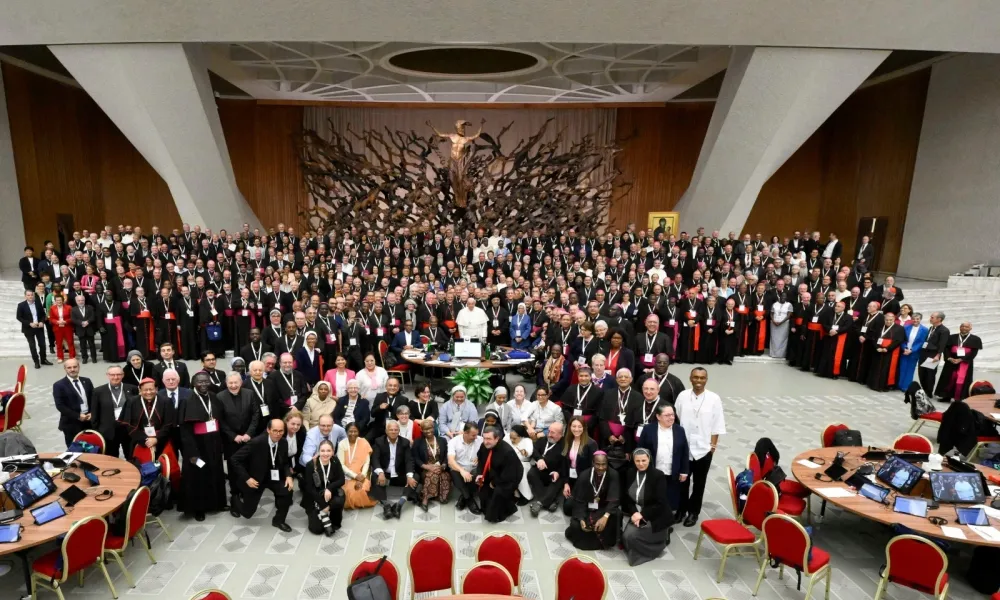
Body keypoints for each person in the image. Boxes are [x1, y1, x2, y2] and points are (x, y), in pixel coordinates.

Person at [674, 367, 725, 527]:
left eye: (702, 378)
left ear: (706, 379)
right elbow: (676, 418)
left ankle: (693, 512)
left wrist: (712, 447)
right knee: (682, 481)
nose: (698, 381)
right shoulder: (682, 396)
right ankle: (680, 510)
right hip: (685, 448)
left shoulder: (714, 399)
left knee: (699, 483)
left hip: (704, 449)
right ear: (690, 378)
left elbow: (717, 423)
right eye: (695, 377)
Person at [230, 418, 296, 532]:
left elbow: (285, 462)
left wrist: (288, 476)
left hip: (274, 476)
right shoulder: (256, 442)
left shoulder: (283, 442)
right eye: (275, 430)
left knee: (287, 491)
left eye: (281, 431)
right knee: (247, 513)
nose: (278, 434)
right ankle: (234, 499)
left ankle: (279, 520)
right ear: (268, 430)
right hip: (256, 479)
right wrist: (247, 478)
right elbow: (234, 459)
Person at [178, 372, 227, 521]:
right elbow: (185, 430)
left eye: (206, 381)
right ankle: (199, 508)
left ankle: (218, 503)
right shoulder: (187, 400)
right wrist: (192, 452)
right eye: (200, 382)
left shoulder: (213, 397)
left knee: (216, 472)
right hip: (197, 446)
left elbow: (220, 419)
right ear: (194, 384)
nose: (204, 384)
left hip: (213, 443)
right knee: (199, 475)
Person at [621, 448, 673, 566]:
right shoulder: (630, 473)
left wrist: (642, 515)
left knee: (631, 537)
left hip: (655, 515)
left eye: (644, 460)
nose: (641, 464)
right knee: (626, 537)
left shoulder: (658, 475)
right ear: (633, 461)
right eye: (637, 461)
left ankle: (661, 541)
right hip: (638, 512)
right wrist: (634, 512)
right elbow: (626, 497)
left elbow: (660, 503)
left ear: (649, 459)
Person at [636, 404, 690, 511]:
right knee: (653, 496)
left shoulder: (679, 430)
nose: (671, 418)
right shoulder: (648, 429)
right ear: (658, 416)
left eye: (672, 415)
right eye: (667, 415)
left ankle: (666, 522)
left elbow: (684, 451)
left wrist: (684, 471)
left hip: (672, 471)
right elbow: (640, 449)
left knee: (669, 497)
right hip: (654, 470)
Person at [564, 452, 620, 550]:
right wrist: (581, 518)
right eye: (598, 464)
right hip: (587, 508)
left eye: (604, 464)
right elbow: (579, 500)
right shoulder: (584, 475)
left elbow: (614, 499)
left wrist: (605, 517)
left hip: (604, 508)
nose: (601, 467)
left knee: (615, 517)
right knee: (576, 526)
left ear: (607, 463)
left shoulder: (613, 475)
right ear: (593, 463)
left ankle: (602, 542)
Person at [217, 372, 259, 504]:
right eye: (230, 383)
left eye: (236, 382)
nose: (233, 385)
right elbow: (221, 420)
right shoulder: (220, 397)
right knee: (233, 467)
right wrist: (234, 436)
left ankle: (247, 491)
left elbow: (256, 414)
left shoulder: (249, 393)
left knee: (249, 464)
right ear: (226, 383)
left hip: (248, 438)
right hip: (231, 440)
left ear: (241, 382)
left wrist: (249, 433)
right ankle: (234, 494)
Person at [475, 426, 523, 523]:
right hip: (493, 472)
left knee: (498, 491)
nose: (485, 442)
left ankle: (496, 515)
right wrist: (480, 474)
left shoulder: (507, 452)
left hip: (509, 477)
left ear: (497, 439)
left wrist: (494, 483)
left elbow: (509, 474)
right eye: (484, 438)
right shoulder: (484, 446)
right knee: (483, 487)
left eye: (489, 439)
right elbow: (480, 461)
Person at [370, 420, 418, 519]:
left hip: (399, 474)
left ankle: (399, 505)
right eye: (391, 430)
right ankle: (386, 506)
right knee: (375, 476)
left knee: (415, 476)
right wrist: (380, 472)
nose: (393, 432)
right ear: (386, 431)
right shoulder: (379, 441)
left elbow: (409, 460)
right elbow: (375, 459)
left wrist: (409, 476)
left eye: (396, 430)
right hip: (385, 474)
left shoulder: (405, 442)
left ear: (399, 431)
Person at [301, 439, 346, 536]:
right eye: (322, 451)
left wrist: (329, 488)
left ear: (333, 451)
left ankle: (331, 515)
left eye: (328, 451)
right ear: (318, 451)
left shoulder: (335, 461)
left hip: (329, 494)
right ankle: (322, 512)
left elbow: (342, 480)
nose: (325, 454)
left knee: (336, 524)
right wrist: (323, 505)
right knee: (317, 530)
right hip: (314, 497)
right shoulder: (311, 465)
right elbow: (309, 488)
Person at [91, 365, 137, 458]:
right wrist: (98, 430)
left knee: (131, 456)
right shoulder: (98, 391)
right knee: (111, 458)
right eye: (112, 375)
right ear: (107, 375)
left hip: (128, 429)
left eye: (118, 374)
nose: (116, 377)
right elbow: (95, 412)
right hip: (109, 431)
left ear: (123, 375)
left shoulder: (132, 388)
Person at [935, 321, 983, 401]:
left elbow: (973, 352)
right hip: (951, 361)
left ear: (970, 328)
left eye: (966, 327)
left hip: (965, 362)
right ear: (960, 327)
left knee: (961, 380)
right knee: (948, 379)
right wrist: (949, 358)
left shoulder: (976, 339)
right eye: (962, 326)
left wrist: (961, 359)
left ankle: (959, 397)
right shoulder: (952, 337)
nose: (964, 328)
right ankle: (946, 396)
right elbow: (946, 348)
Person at [560, 416, 598, 516]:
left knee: (573, 508)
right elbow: (564, 464)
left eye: (579, 426)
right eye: (574, 426)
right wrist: (566, 483)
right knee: (567, 509)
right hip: (571, 479)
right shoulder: (567, 440)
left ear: (584, 428)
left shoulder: (591, 444)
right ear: (569, 427)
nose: (576, 429)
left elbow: (594, 468)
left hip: (585, 480)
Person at [527, 422, 566, 516]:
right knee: (531, 474)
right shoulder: (544, 439)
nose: (549, 434)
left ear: (560, 434)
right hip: (542, 470)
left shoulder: (565, 445)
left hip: (555, 473)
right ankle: (550, 502)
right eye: (549, 431)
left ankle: (539, 503)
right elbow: (534, 450)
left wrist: (558, 472)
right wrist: (539, 458)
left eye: (553, 433)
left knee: (558, 480)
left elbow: (565, 464)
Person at [53, 358, 94, 446]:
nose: (72, 369)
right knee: (75, 450)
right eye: (69, 367)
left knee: (92, 448)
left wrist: (92, 412)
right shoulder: (59, 385)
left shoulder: (87, 381)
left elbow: (94, 399)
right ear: (65, 369)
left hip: (89, 420)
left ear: (79, 367)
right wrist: (78, 416)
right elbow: (60, 405)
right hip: (71, 423)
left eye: (75, 367)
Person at [598, 368, 641, 451]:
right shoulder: (608, 394)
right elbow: (601, 417)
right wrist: (608, 435)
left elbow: (637, 420)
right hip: (608, 436)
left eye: (626, 377)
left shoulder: (638, 397)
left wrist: (625, 436)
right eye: (620, 377)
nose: (623, 379)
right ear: (616, 379)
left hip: (628, 437)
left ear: (631, 379)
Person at [337, 422, 377, 509]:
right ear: (346, 432)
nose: (353, 434)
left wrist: (362, 475)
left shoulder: (364, 442)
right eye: (350, 431)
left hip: (362, 474)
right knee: (350, 494)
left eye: (355, 431)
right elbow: (341, 464)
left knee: (360, 490)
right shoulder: (342, 444)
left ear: (358, 432)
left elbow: (367, 462)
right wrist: (355, 476)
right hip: (346, 476)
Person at [413, 419, 450, 511]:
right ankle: (425, 499)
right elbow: (415, 458)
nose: (428, 431)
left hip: (440, 467)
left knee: (445, 476)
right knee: (432, 475)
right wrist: (427, 467)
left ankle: (440, 496)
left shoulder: (442, 440)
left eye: (430, 428)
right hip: (425, 468)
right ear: (421, 430)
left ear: (434, 428)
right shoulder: (418, 442)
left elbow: (446, 455)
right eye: (425, 429)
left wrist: (443, 466)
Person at [448, 422, 483, 514]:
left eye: (477, 434)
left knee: (479, 474)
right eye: (473, 435)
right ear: (465, 433)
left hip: (474, 468)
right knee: (455, 473)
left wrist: (481, 458)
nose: (476, 437)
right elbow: (451, 461)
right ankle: (469, 500)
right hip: (459, 468)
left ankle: (464, 498)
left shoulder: (480, 440)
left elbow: (489, 452)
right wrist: (462, 471)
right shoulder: (454, 442)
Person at [867, 312, 906, 392]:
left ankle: (883, 386)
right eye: (887, 320)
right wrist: (877, 347)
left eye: (890, 320)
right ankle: (874, 384)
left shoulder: (899, 328)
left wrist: (887, 348)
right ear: (884, 319)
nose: (888, 322)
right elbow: (874, 338)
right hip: (878, 350)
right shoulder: (879, 327)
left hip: (890, 352)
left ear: (894, 319)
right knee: (876, 367)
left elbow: (898, 341)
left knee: (886, 369)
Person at [815, 301, 853, 379]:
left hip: (839, 338)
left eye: (839, 306)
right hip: (829, 336)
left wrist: (836, 331)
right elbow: (824, 324)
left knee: (835, 356)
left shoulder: (848, 317)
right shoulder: (830, 315)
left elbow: (847, 327)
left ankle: (834, 373)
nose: (836, 307)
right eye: (836, 306)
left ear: (843, 308)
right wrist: (830, 330)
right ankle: (823, 372)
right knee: (826, 354)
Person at [266, 353, 309, 419]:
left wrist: (296, 406)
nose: (287, 365)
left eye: (290, 362)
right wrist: (288, 409)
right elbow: (274, 397)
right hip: (281, 413)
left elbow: (304, 393)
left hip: (298, 411)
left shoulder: (299, 375)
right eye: (285, 363)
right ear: (280, 363)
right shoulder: (272, 377)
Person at [918, 311, 950, 399]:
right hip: (924, 352)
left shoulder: (944, 330)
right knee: (921, 372)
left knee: (930, 374)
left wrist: (938, 355)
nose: (930, 319)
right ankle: (924, 389)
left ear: (939, 319)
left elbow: (942, 344)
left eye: (932, 317)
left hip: (933, 354)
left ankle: (928, 392)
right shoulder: (931, 328)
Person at [368, 377, 409, 442]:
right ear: (386, 387)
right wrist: (379, 408)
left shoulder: (403, 400)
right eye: (390, 385)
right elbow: (372, 414)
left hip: (396, 428)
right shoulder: (379, 396)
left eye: (395, 386)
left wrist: (389, 407)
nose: (392, 388)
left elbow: (403, 416)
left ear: (398, 388)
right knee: (367, 440)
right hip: (380, 426)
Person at [17, 289, 50, 368]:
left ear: (34, 295)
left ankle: (43, 359)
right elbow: (19, 317)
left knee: (42, 344)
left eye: (31, 295)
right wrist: (29, 323)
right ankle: (36, 362)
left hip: (39, 327)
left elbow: (43, 315)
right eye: (28, 295)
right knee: (32, 346)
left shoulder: (38, 304)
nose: (30, 296)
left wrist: (42, 321)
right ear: (25, 296)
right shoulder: (21, 305)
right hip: (28, 329)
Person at [899, 312, 928, 391]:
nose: (915, 320)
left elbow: (921, 342)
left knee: (910, 369)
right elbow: (902, 339)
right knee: (902, 367)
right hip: (904, 351)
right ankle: (899, 385)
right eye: (914, 319)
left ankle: (906, 386)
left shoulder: (925, 329)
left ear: (920, 319)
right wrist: (904, 348)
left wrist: (911, 350)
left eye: (917, 319)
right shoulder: (906, 327)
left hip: (914, 352)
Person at [505, 424, 534, 503]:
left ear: (521, 436)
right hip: (509, 463)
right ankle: (514, 494)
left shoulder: (527, 440)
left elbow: (529, 452)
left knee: (520, 470)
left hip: (524, 463)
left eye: (514, 438)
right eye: (510, 437)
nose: (511, 440)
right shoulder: (507, 437)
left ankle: (526, 496)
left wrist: (525, 452)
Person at [70, 294, 98, 364]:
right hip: (80, 329)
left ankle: (94, 358)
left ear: (84, 300)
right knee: (83, 345)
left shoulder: (90, 307)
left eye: (82, 300)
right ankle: (84, 358)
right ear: (76, 301)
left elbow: (93, 316)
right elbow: (73, 319)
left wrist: (88, 321)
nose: (81, 302)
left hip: (90, 329)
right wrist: (81, 322)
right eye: (79, 300)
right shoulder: (73, 309)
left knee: (92, 345)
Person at [48, 294, 75, 362]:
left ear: (63, 300)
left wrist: (65, 321)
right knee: (59, 343)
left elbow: (72, 318)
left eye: (60, 300)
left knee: (70, 342)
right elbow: (51, 318)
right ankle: (60, 357)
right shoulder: (52, 308)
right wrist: (57, 322)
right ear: (55, 301)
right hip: (57, 327)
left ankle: (72, 356)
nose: (59, 301)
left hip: (67, 327)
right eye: (57, 300)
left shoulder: (69, 307)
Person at [769, 293, 792, 359]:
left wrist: (781, 322)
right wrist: (773, 321)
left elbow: (789, 315)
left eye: (785, 297)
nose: (783, 298)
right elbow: (771, 313)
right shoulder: (775, 304)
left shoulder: (789, 305)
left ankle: (781, 354)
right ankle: (773, 354)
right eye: (782, 296)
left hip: (784, 324)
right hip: (774, 323)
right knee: (774, 338)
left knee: (782, 339)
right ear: (779, 296)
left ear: (786, 297)